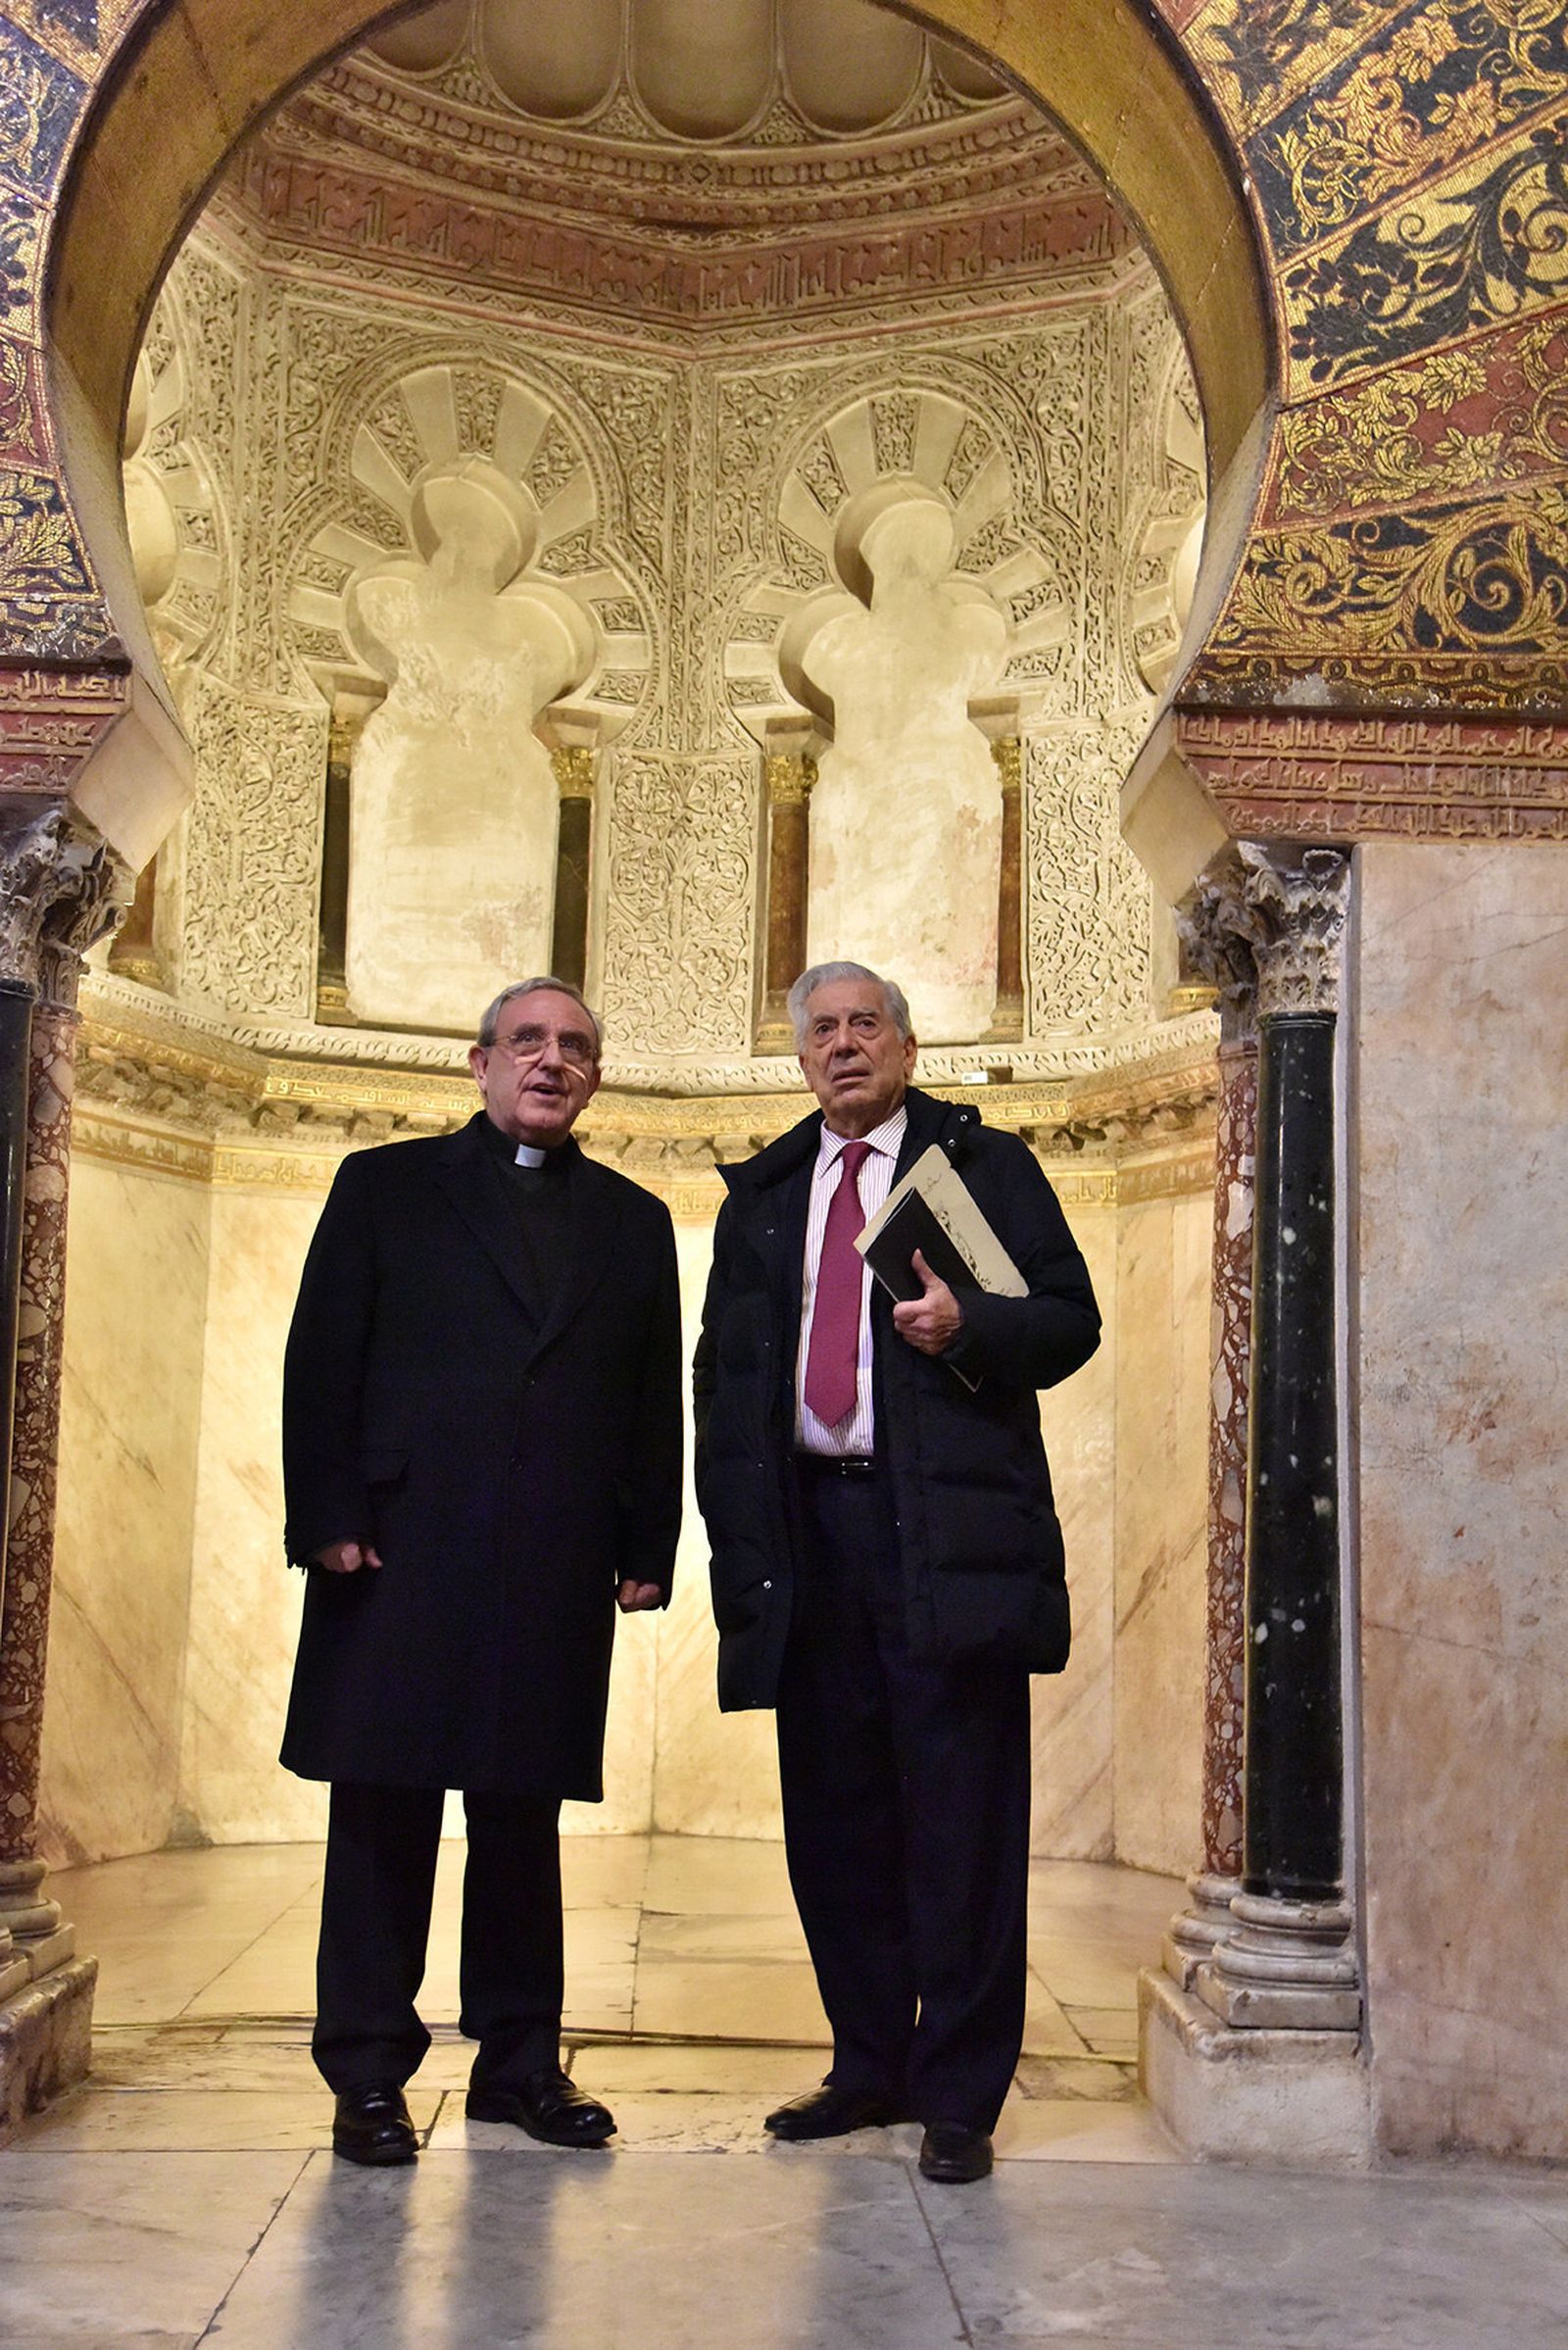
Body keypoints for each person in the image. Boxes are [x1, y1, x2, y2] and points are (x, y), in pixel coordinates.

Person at [693, 960, 1100, 2184]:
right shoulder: (763, 1193)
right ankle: (866, 2063)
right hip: (809, 1540)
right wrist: (734, 1538)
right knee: (837, 1816)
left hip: (942, 1536)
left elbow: (1069, 1321)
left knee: (960, 1818)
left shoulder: (985, 1171)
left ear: (908, 1049)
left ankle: (960, 2092)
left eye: (866, 1024)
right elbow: (722, 1381)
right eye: (822, 1029)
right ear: (800, 1056)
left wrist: (971, 1324)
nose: (844, 1045)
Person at [280, 976, 681, 2166]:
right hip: (398, 1551)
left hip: (553, 1559)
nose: (550, 1062)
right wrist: (328, 1516)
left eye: (574, 1047)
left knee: (522, 1822)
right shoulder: (385, 1186)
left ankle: (517, 2066)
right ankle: (366, 2074)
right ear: (479, 1063)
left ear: (594, 1074)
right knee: (383, 1814)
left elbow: (652, 1396)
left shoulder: (632, 1218)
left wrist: (646, 1543)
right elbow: (320, 1363)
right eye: (527, 1043)